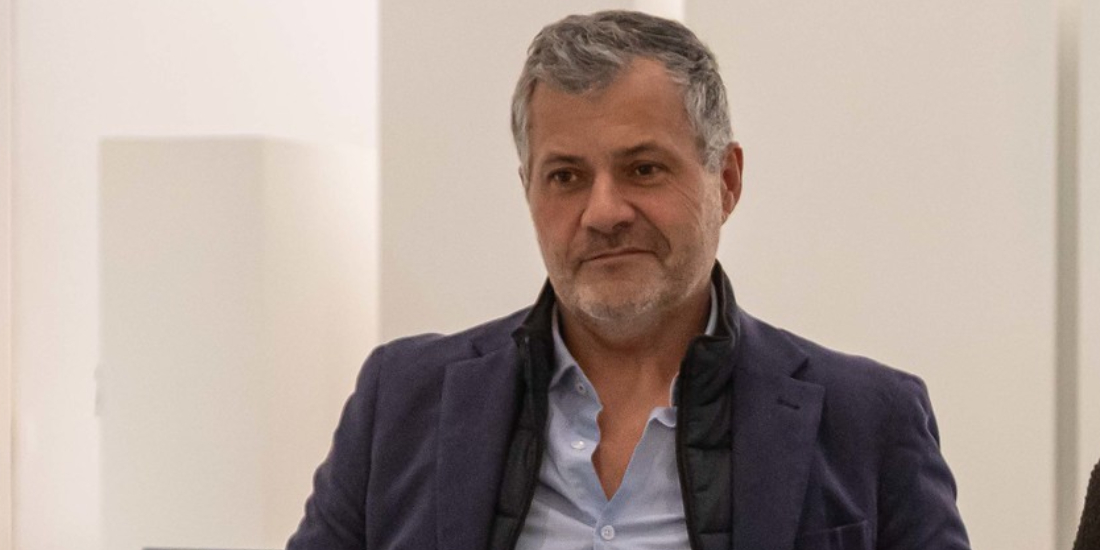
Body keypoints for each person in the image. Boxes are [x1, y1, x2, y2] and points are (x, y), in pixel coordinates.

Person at [287, 10, 970, 550]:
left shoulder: (868, 422)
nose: (604, 212)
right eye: (566, 176)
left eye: (644, 169)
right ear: (528, 191)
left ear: (727, 181)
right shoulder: (401, 404)